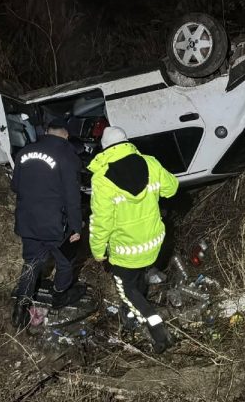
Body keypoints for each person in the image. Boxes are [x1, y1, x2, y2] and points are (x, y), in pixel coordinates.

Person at [88, 126, 179, 354]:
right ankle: (129, 315)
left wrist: (98, 251)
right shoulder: (150, 162)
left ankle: (156, 327)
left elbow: (101, 222)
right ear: (126, 142)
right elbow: (172, 188)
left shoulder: (102, 179)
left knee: (126, 289)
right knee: (138, 278)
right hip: (153, 242)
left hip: (126, 251)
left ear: (105, 148)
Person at [10, 117, 85, 330]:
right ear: (66, 135)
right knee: (65, 261)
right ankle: (60, 295)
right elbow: (72, 197)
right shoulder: (68, 156)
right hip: (55, 223)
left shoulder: (24, 152)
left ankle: (20, 308)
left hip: (28, 220)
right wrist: (76, 227)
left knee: (32, 262)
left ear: (46, 131)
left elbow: (15, 186)